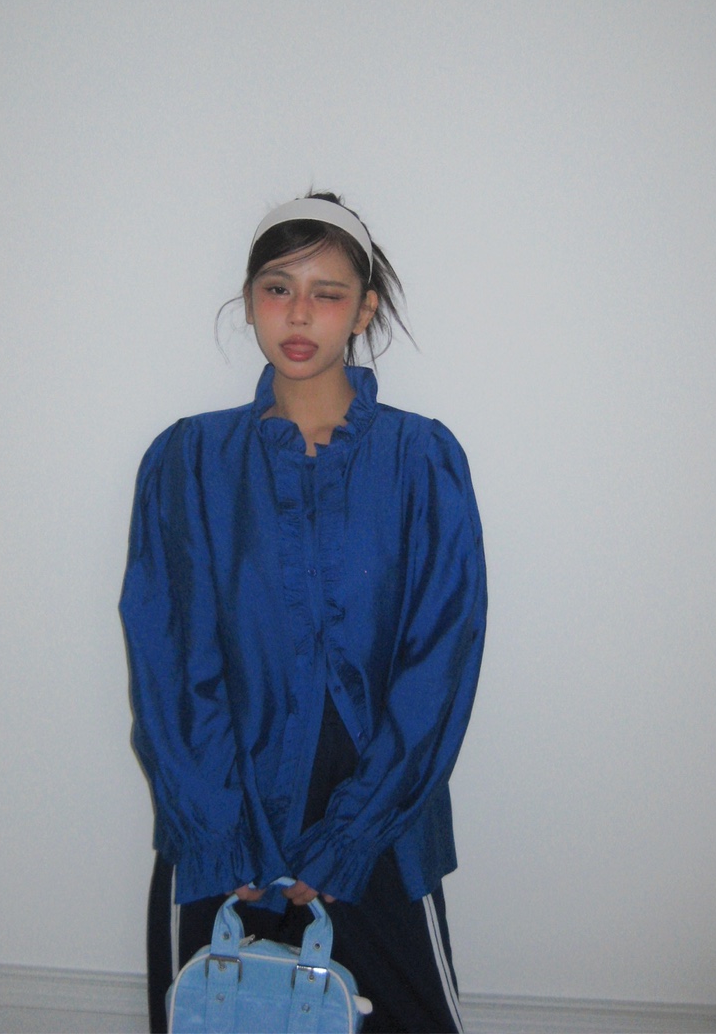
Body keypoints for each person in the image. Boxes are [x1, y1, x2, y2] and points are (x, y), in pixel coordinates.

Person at [119, 192, 487, 1033]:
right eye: (277, 288)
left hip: (379, 820)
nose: (297, 313)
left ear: (364, 309)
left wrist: (350, 840)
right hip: (223, 812)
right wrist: (219, 838)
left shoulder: (422, 460)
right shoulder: (189, 460)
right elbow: (167, 656)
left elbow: (440, 661)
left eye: (327, 292)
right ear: (250, 299)